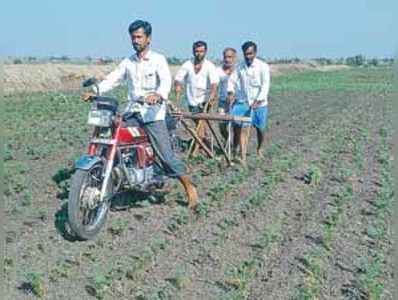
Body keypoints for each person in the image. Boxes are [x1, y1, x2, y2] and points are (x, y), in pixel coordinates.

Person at [81, 20, 199, 209]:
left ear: (148, 39)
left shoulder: (158, 60)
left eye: (139, 37)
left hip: (153, 115)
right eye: (133, 37)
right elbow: (113, 78)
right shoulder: (128, 62)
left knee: (166, 156)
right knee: (113, 137)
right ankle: (115, 176)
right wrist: (96, 90)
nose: (135, 40)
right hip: (133, 112)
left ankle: (189, 186)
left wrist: (157, 95)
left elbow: (166, 82)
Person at [227, 41, 271, 166]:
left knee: (260, 128)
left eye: (250, 54)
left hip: (260, 104)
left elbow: (265, 86)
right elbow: (232, 80)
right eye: (246, 54)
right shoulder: (240, 67)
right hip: (245, 103)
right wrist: (230, 92)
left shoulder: (263, 66)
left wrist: (258, 100)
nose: (248, 56)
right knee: (243, 129)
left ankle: (260, 147)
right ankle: (241, 156)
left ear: (255, 53)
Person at [174, 41, 219, 113]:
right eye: (197, 51)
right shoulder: (187, 64)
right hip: (191, 101)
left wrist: (212, 95)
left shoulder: (210, 66)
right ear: (193, 51)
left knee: (203, 122)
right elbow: (178, 79)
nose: (199, 54)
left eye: (201, 51)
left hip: (205, 102)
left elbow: (214, 84)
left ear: (205, 52)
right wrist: (177, 85)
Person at [216, 47, 237, 141]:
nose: (227, 59)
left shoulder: (239, 70)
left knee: (236, 126)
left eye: (230, 57)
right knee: (221, 125)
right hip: (222, 102)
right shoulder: (218, 71)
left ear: (234, 57)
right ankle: (227, 140)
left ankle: (235, 148)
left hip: (237, 102)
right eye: (225, 57)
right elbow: (214, 85)